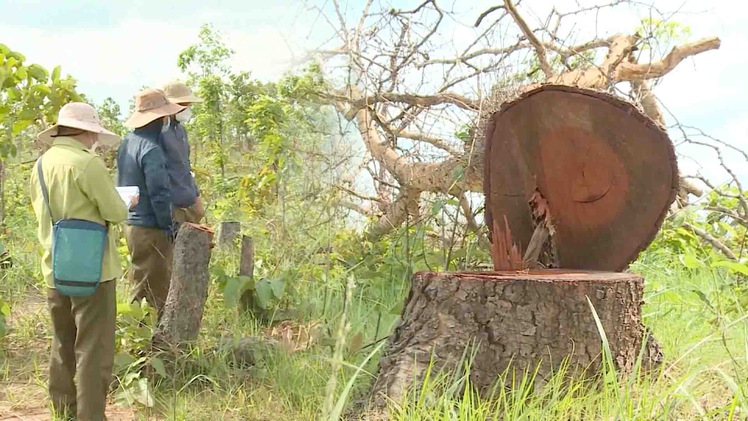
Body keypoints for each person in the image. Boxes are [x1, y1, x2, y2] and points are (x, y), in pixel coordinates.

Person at [30, 102, 136, 420]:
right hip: (94, 271)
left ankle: (62, 411)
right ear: (88, 133)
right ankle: (91, 416)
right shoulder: (87, 164)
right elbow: (115, 212)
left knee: (63, 342)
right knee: (93, 348)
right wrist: (126, 200)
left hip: (54, 267)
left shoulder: (41, 164)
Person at [117, 88, 185, 316]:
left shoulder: (128, 142)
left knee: (141, 281)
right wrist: (168, 225)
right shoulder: (152, 149)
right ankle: (146, 340)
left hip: (132, 223)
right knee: (153, 289)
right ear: (159, 118)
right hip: (150, 227)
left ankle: (138, 336)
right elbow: (159, 192)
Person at [162, 81, 205, 226]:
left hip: (188, 201)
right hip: (172, 206)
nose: (187, 108)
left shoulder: (181, 132)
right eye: (183, 105)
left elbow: (185, 167)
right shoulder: (160, 132)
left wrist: (196, 195)